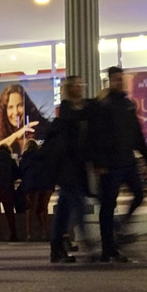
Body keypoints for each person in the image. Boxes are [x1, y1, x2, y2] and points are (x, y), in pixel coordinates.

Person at [91, 66, 147, 264]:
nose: (120, 82)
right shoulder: (104, 104)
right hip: (110, 164)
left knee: (139, 194)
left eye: (121, 79)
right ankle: (108, 249)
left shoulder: (127, 104)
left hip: (127, 161)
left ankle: (119, 229)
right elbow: (97, 136)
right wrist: (99, 163)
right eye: (116, 79)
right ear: (110, 81)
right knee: (108, 206)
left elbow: (137, 134)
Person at [45, 76, 91, 262]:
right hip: (67, 168)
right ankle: (87, 241)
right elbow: (69, 138)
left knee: (64, 209)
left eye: (82, 84)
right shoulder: (67, 110)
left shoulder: (81, 108)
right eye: (77, 85)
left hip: (76, 168)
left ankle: (56, 248)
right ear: (69, 88)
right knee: (77, 205)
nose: (80, 87)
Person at [19, 139, 54, 242]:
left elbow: (21, 173)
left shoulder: (25, 158)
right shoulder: (45, 157)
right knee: (44, 208)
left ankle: (30, 233)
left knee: (31, 208)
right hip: (47, 184)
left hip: (32, 184)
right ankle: (44, 232)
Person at [0, 85, 45, 155]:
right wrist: (16, 135)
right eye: (10, 107)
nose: (16, 112)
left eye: (20, 105)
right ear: (4, 110)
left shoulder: (38, 129)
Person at [0, 144, 20, 242]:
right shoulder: (10, 161)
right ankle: (13, 234)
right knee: (9, 212)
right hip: (6, 188)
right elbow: (17, 174)